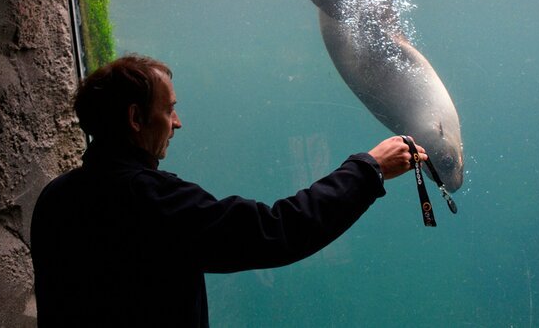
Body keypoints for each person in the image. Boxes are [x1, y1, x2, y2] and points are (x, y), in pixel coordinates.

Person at [30, 54, 423, 327]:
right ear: (136, 118)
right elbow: (275, 232)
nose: (177, 123)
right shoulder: (148, 200)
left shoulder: (56, 198)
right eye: (169, 110)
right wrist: (367, 171)